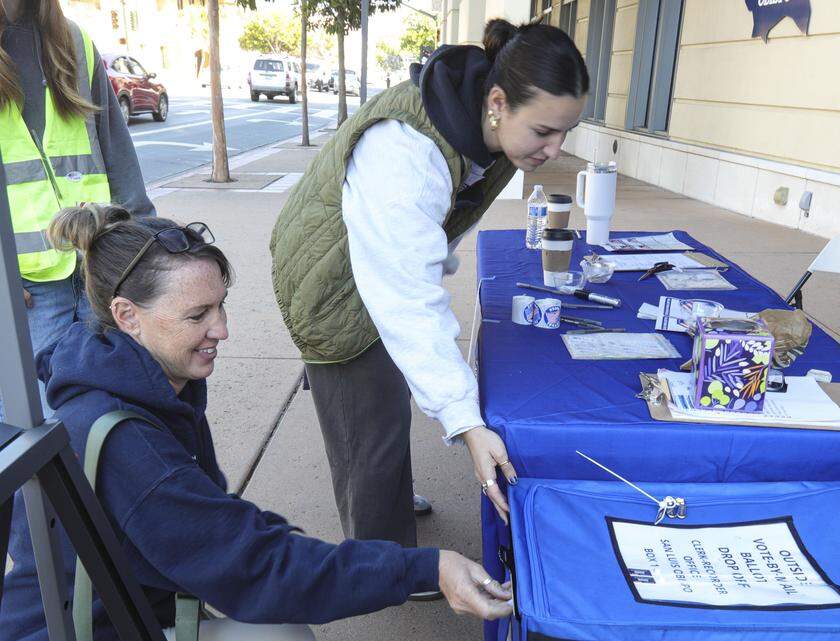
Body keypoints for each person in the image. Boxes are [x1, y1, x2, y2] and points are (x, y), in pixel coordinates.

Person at [0, 205, 513, 641]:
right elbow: (255, 567)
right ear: (127, 315)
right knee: (279, 633)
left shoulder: (138, 379)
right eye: (197, 315)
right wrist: (428, 568)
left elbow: (220, 524)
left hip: (130, 607)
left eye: (220, 306)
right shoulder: (128, 441)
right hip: (89, 629)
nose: (221, 329)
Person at [269, 18, 589, 596]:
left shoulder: (478, 123)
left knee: (387, 403)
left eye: (565, 133)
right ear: (498, 102)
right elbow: (407, 302)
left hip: (371, 266)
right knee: (365, 426)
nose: (555, 149)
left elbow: (420, 242)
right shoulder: (405, 150)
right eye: (544, 131)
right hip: (329, 288)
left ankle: (388, 505)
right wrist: (467, 423)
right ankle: (381, 566)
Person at [0, 0, 154, 420]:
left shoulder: (73, 40)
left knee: (113, 410)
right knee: (41, 428)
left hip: (98, 264)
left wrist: (140, 249)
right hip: (26, 291)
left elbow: (116, 151)